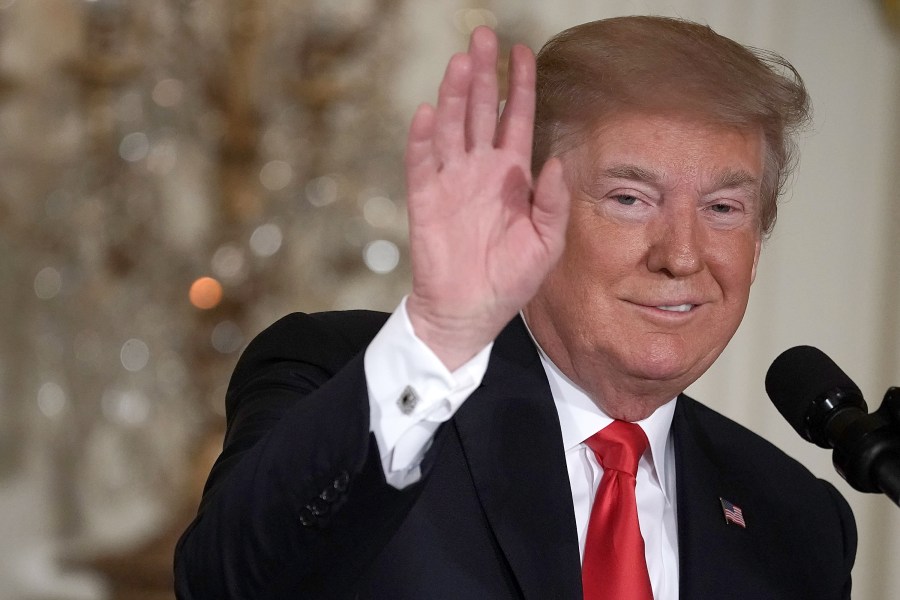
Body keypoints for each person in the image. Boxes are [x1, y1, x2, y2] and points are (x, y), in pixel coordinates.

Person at [174, 15, 856, 599]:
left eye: (723, 209)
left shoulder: (796, 521)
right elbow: (225, 584)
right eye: (629, 198)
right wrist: (443, 335)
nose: (682, 254)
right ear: (530, 209)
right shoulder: (339, 378)